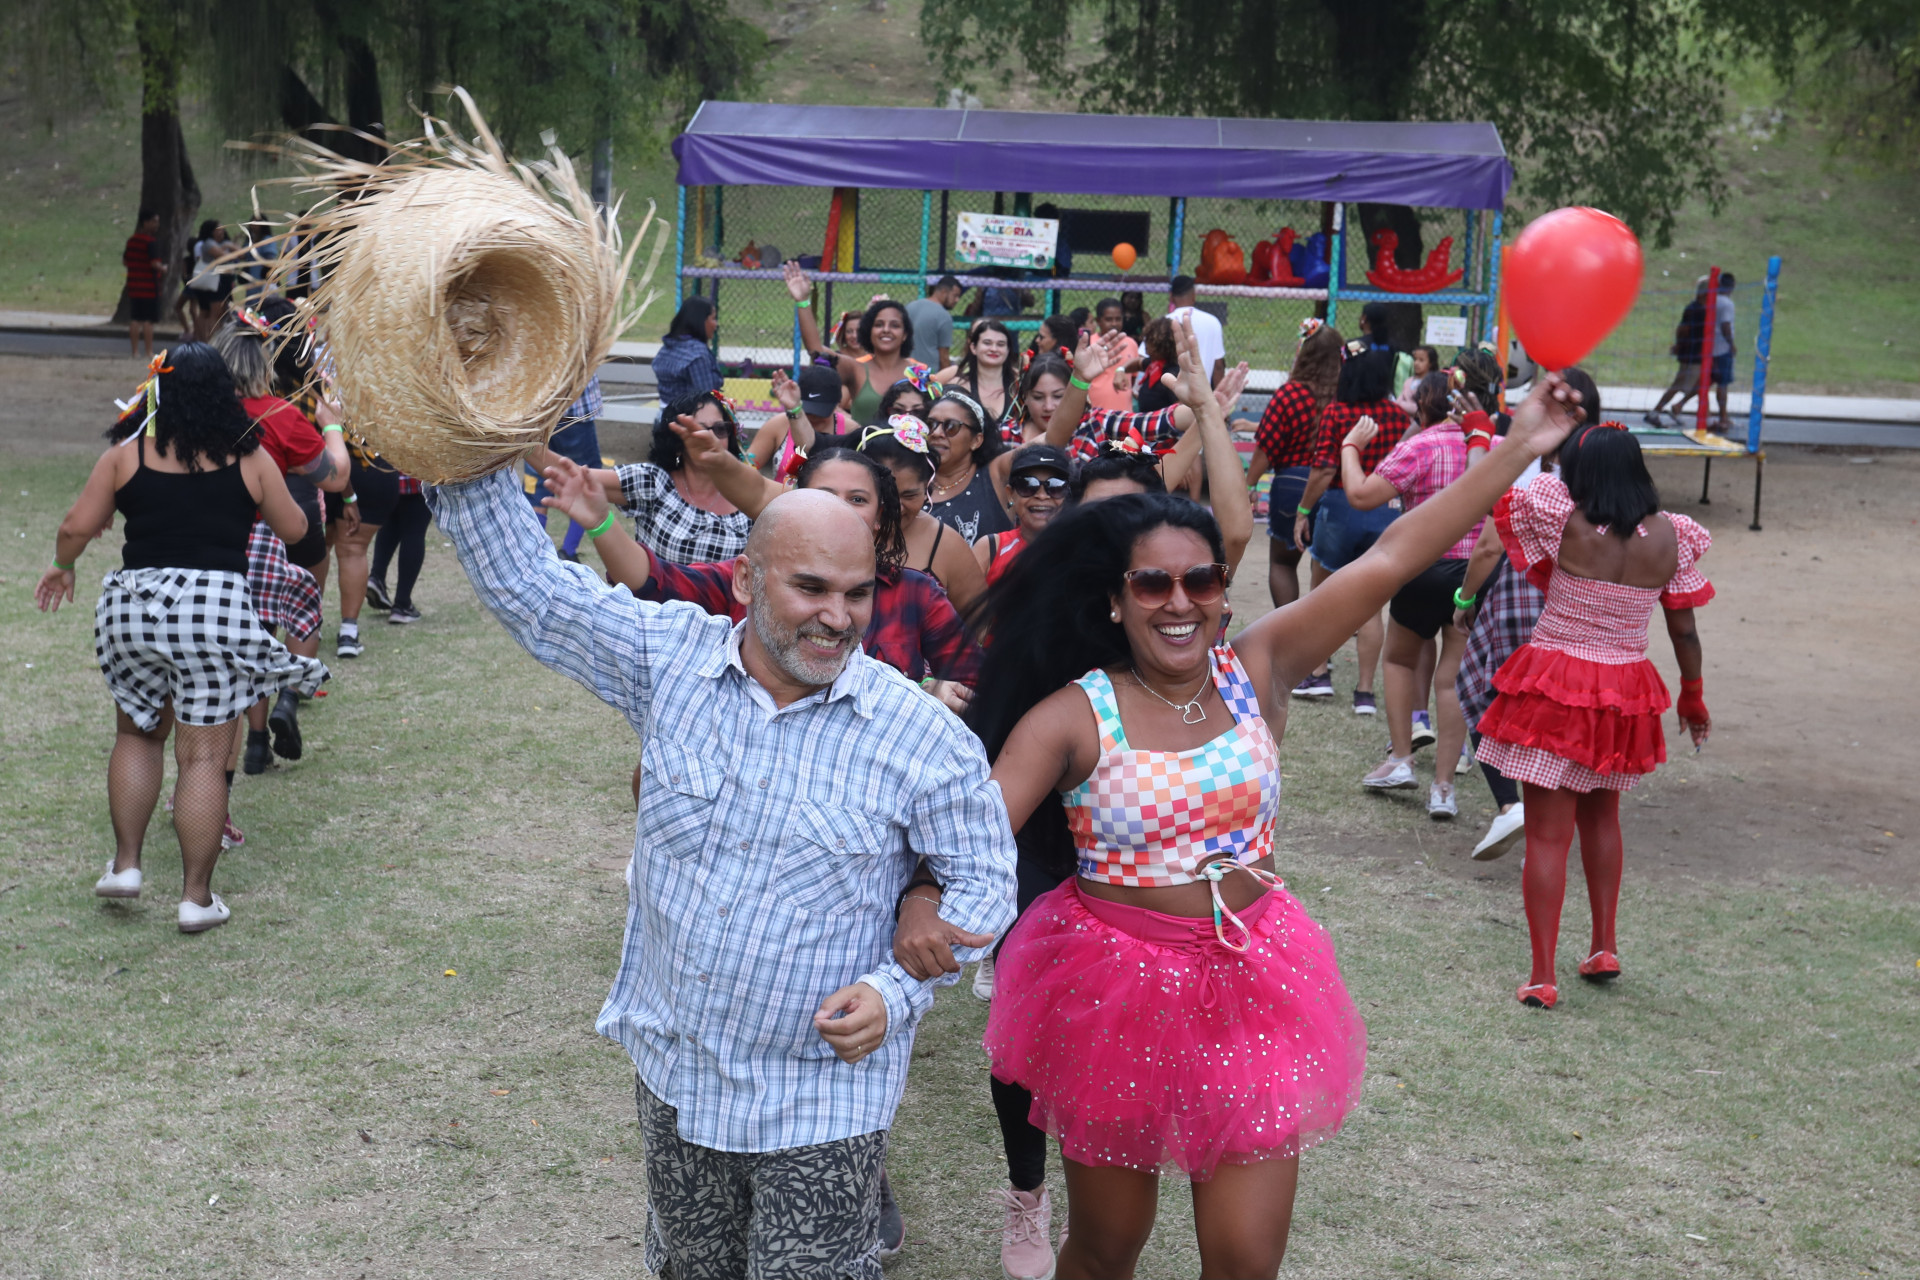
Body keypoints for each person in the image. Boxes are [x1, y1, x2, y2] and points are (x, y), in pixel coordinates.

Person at [897, 355, 1585, 1280]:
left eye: (1202, 582)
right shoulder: (1070, 714)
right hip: (1111, 989)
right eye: (1153, 586)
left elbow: (1392, 556)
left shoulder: (1253, 665)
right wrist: (922, 901)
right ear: (1114, 598)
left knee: (1244, 1257)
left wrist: (1518, 448)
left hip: (1256, 978)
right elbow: (975, 838)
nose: (1181, 603)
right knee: (1106, 1247)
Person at [429, 459, 1017, 1280]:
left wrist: (898, 990)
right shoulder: (668, 661)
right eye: (810, 588)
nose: (837, 618)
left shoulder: (917, 735)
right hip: (678, 1072)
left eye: (856, 594)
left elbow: (986, 877)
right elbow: (533, 592)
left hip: (823, 1096)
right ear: (744, 578)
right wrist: (463, 460)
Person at [36, 343, 327, 931]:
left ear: (156, 395)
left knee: (137, 735)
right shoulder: (249, 458)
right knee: (201, 757)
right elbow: (296, 529)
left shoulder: (125, 456)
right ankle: (196, 899)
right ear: (223, 394)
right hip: (213, 612)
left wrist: (63, 565)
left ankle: (125, 865)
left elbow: (75, 526)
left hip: (133, 609)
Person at [1476, 421, 1713, 1009]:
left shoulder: (1563, 516)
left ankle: (1541, 976)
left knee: (1546, 836)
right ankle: (1603, 946)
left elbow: (1517, 499)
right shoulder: (1672, 538)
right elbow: (1683, 628)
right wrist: (1693, 693)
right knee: (1603, 819)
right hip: (1624, 690)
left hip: (1557, 683)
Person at [211, 321, 349, 767]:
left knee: (252, 636)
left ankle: (254, 744)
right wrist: (332, 427)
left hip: (223, 539)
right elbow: (336, 476)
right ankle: (289, 696)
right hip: (283, 530)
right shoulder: (282, 416)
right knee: (304, 612)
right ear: (263, 364)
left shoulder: (202, 417)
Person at [1341, 372, 1480, 817]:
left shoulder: (1420, 446)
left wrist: (1350, 448)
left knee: (1400, 658)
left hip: (1422, 567)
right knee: (1452, 678)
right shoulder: (1492, 449)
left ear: (1423, 407)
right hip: (1472, 572)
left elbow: (1362, 495)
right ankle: (1444, 787)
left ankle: (1401, 757)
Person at [1289, 346, 1414, 712]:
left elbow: (1325, 469)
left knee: (1322, 593)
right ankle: (1364, 694)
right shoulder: (1396, 415)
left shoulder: (1337, 412)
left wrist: (1303, 511)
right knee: (1371, 604)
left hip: (1341, 508)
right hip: (1384, 511)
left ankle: (1318, 675)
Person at [572, 391, 753, 566]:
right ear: (676, 442)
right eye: (699, 430)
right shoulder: (655, 482)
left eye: (720, 429)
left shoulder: (748, 497)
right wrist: (542, 450)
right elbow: (573, 476)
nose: (711, 437)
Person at [1245, 319, 1343, 609]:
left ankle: (1288, 629)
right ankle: (1320, 640)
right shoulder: (1345, 399)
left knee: (1283, 562)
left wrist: (1249, 483)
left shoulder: (1289, 394)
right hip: (1335, 486)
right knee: (1325, 566)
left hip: (1291, 485)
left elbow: (1267, 445)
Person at [857, 418, 987, 614]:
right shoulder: (833, 529)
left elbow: (979, 626)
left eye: (909, 495)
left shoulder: (947, 545)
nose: (895, 507)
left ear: (928, 489)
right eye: (885, 495)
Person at [785, 263, 928, 424]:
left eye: (895, 325)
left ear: (905, 335)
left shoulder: (919, 373)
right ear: (869, 332)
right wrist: (803, 301)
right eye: (879, 325)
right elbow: (815, 349)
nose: (886, 330)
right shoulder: (856, 369)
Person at [521, 376, 605, 564]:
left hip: (536, 414)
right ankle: (568, 551)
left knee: (536, 484)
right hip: (573, 414)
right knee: (585, 480)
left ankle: (535, 554)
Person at [924, 390, 1013, 544]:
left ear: (976, 440)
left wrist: (1071, 379)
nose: (937, 433)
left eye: (950, 426)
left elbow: (1052, 439)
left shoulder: (995, 474)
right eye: (930, 425)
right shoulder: (911, 477)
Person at [976, 443, 1069, 586]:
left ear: (1066, 494)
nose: (1042, 496)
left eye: (1055, 486)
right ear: (1010, 494)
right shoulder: (990, 548)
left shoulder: (1081, 550)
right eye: (1028, 485)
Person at [933, 318, 1019, 439]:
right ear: (973, 347)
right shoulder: (958, 387)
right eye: (987, 343)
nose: (994, 349)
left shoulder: (1019, 386)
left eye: (1001, 344)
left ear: (1008, 349)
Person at [1646, 278, 1709, 427]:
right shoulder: (1696, 309)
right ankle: (1655, 412)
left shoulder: (1702, 309)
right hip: (1691, 355)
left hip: (1697, 354)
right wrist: (1679, 345)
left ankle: (1678, 410)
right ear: (1704, 294)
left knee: (1700, 385)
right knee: (1681, 385)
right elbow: (1683, 329)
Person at [651, 297, 724, 406]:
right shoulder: (697, 355)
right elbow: (706, 401)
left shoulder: (667, 347)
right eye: (713, 318)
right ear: (701, 321)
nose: (716, 324)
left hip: (663, 417)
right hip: (688, 420)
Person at [1164, 275, 1225, 387]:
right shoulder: (1213, 322)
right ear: (1194, 295)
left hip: (1169, 392)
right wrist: (1217, 400)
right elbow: (1218, 366)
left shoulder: (1163, 322)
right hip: (1202, 394)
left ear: (1171, 297)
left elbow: (1144, 358)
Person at [123, 210, 166, 360]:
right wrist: (163, 268)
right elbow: (155, 264)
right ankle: (148, 351)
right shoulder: (151, 242)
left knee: (135, 319)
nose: (157, 224)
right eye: (154, 221)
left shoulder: (131, 241)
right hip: (149, 286)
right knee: (148, 320)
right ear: (145, 222)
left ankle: (134, 351)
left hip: (134, 286)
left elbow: (125, 261)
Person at [1085, 298, 1139, 414]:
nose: (1114, 323)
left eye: (1118, 319)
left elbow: (1133, 377)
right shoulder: (1090, 344)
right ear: (1098, 321)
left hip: (1125, 414)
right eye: (1109, 319)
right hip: (1095, 413)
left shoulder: (1131, 344)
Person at [907, 275, 963, 369]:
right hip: (928, 375)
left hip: (905, 371)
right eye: (955, 295)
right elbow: (944, 356)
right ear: (944, 292)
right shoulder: (944, 316)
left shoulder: (910, 307)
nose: (957, 300)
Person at [1709, 272, 1737, 433]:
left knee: (1708, 382)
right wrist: (1731, 344)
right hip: (1722, 348)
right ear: (1732, 286)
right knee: (1722, 384)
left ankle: (1679, 405)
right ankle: (1723, 417)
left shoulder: (1713, 300)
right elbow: (1725, 325)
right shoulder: (1727, 303)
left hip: (1711, 347)